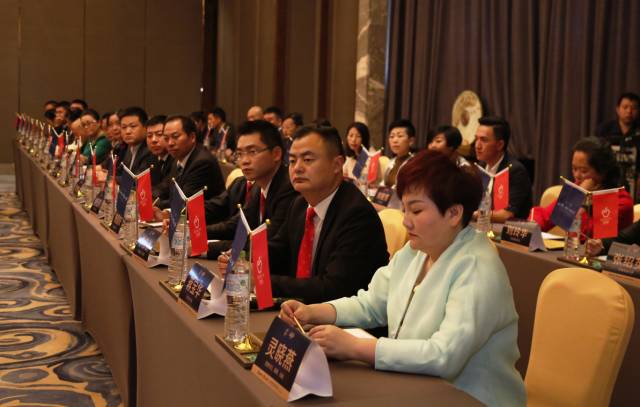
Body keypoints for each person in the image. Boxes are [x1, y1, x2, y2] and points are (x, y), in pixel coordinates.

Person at [280, 150, 526, 407]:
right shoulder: (417, 250)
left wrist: (355, 347)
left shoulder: (477, 268)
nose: (406, 222)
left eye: (416, 211)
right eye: (404, 209)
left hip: (471, 399)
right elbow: (372, 303)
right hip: (414, 386)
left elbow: (444, 355)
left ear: (454, 214)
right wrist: (314, 312)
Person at [220, 126, 389, 303]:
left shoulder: (356, 215)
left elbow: (334, 288)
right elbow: (279, 251)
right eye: (292, 161)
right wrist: (241, 258)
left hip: (341, 316)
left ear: (337, 165)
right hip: (301, 310)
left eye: (308, 160)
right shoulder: (299, 204)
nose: (297, 168)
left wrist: (262, 281)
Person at [206, 120, 298, 257]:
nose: (244, 161)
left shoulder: (288, 188)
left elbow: (266, 244)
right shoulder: (257, 186)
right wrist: (196, 233)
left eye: (252, 152)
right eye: (240, 154)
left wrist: (205, 247)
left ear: (276, 154)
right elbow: (239, 225)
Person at [532, 137, 633, 237]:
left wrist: (581, 200)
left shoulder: (621, 201)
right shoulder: (577, 188)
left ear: (603, 172)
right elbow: (545, 215)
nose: (577, 175)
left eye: (584, 171)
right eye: (574, 169)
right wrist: (530, 228)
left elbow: (585, 237)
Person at [154, 115, 225, 210]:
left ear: (192, 137)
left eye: (175, 137)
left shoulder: (202, 162)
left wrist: (153, 204)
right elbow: (165, 187)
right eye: (166, 138)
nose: (170, 143)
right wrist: (148, 196)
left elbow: (184, 200)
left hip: (204, 217)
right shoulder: (178, 158)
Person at [474, 116, 532, 221]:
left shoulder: (514, 171)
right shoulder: (481, 166)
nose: (477, 146)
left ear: (500, 145)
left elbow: (505, 215)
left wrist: (471, 214)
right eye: (476, 139)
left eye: (484, 140)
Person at [118, 106, 155, 176]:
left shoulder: (151, 149)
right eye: (124, 127)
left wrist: (109, 177)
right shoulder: (127, 147)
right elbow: (119, 172)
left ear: (145, 127)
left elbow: (137, 178)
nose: (128, 131)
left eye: (133, 126)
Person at [382, 119, 415, 188]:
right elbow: (384, 184)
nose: (395, 140)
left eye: (400, 136)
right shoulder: (391, 162)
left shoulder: (414, 163)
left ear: (411, 141)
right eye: (392, 137)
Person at [145, 115, 173, 194]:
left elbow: (164, 189)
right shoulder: (150, 157)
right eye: (149, 136)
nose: (153, 140)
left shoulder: (176, 159)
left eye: (159, 134)